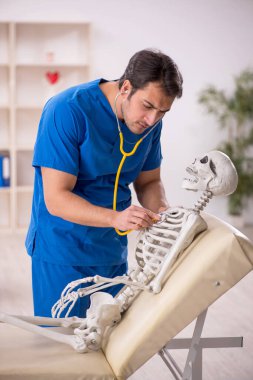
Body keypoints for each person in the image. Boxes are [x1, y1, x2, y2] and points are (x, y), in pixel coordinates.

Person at [25, 49, 183, 318]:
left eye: (162, 112)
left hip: (111, 250)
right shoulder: (67, 110)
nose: (152, 120)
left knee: (106, 340)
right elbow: (56, 197)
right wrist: (115, 218)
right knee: (60, 345)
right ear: (126, 87)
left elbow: (149, 181)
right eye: (147, 106)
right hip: (63, 248)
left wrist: (164, 214)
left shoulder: (150, 123)